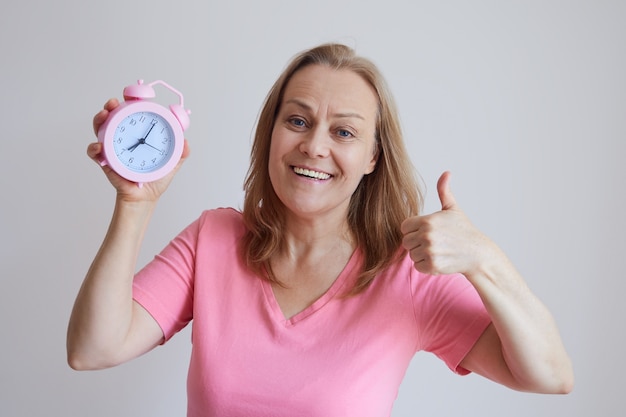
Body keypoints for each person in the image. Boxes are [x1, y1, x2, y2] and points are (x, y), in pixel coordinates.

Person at [67, 43, 574, 416]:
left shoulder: (406, 273)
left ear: (372, 157)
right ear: (272, 132)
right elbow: (94, 349)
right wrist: (134, 201)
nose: (314, 146)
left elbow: (550, 376)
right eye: (298, 121)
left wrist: (486, 261)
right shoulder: (213, 240)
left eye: (344, 132)